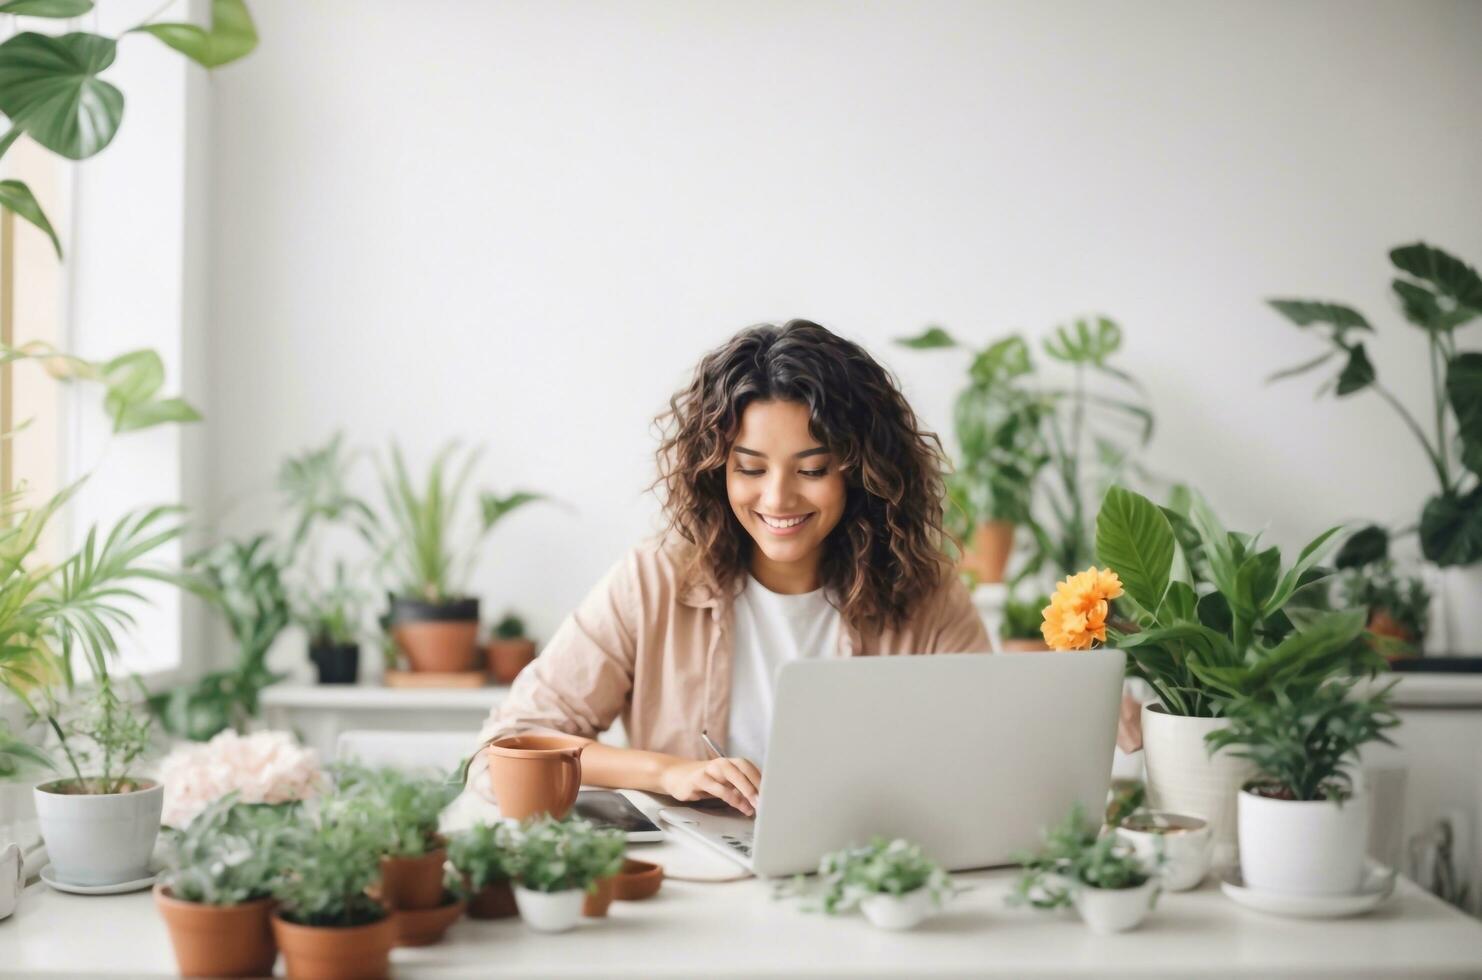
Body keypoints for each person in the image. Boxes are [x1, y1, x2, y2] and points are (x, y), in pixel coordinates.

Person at [473, 319, 1137, 816]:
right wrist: (668, 773)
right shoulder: (653, 582)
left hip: (869, 881)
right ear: (715, 469)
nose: (778, 499)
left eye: (813, 469)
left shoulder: (925, 592)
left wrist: (1080, 717)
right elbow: (502, 750)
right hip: (696, 895)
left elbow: (983, 766)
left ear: (861, 470)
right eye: (751, 469)